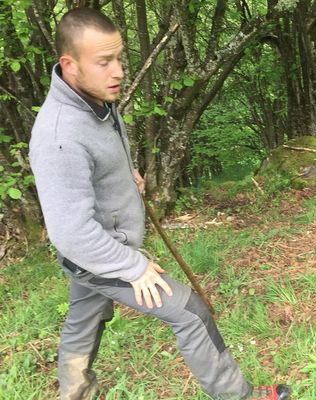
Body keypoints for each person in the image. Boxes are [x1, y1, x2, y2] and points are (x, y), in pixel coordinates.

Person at [29, 8, 290, 400]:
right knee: (190, 313)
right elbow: (70, 231)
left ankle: (75, 394)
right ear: (69, 65)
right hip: (96, 254)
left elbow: (100, 157)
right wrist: (132, 267)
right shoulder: (58, 136)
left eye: (119, 59)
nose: (118, 72)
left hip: (100, 250)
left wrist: (125, 174)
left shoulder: (96, 99)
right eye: (104, 62)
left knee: (85, 321)